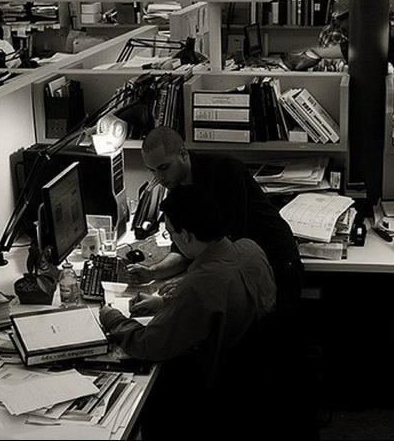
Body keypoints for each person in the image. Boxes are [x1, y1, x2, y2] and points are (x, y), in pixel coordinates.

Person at [99, 185, 276, 437]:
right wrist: (167, 302)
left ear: (187, 236)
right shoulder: (251, 250)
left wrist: (113, 319)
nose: (172, 240)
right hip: (251, 379)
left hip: (207, 390)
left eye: (171, 233)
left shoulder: (200, 286)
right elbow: (225, 300)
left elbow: (149, 345)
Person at [127, 126, 302, 310]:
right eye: (152, 171)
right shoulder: (177, 186)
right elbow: (185, 248)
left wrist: (190, 282)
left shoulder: (225, 171)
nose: (159, 178)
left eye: (164, 168)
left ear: (183, 154)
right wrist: (154, 272)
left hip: (274, 262)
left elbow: (228, 246)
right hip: (236, 268)